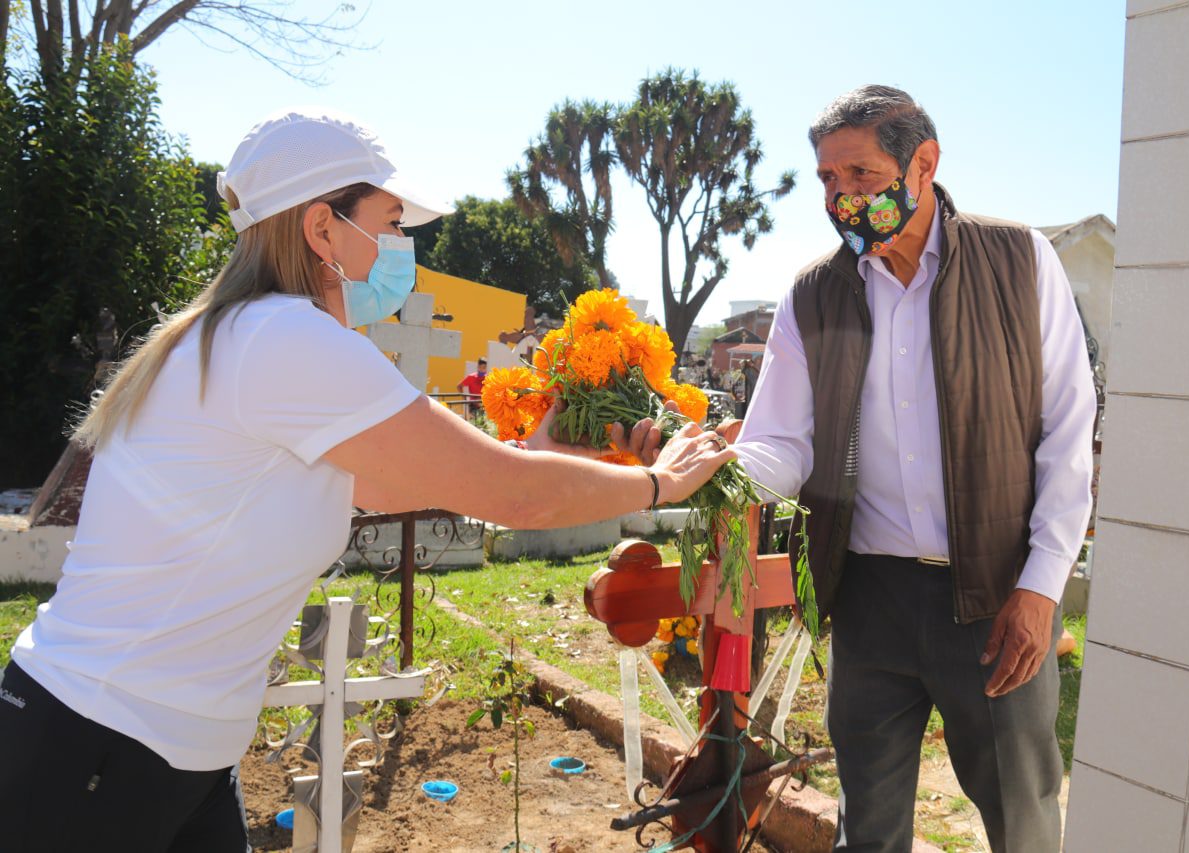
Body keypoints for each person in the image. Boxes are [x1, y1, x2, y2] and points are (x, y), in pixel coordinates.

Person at [0, 108, 734, 853]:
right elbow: (509, 494)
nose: (402, 247)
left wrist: (549, 445)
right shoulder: (287, 339)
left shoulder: (239, 333)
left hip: (162, 747)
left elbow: (394, 485)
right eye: (389, 223)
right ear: (322, 229)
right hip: (100, 747)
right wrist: (657, 484)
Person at [727, 86, 1095, 852]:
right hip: (869, 600)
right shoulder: (813, 295)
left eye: (860, 174)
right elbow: (781, 444)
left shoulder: (1019, 259)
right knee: (869, 824)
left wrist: (1041, 585)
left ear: (922, 164)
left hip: (997, 600)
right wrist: (705, 471)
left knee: (1023, 818)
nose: (841, 197)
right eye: (828, 180)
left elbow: (1067, 428)